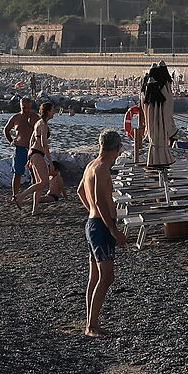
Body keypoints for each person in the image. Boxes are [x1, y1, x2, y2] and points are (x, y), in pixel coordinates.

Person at [77, 129, 129, 336]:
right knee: (106, 277)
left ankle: (91, 322)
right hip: (100, 226)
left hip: (93, 222)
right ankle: (91, 325)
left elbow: (80, 191)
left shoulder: (91, 165)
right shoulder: (102, 168)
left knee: (95, 277)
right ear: (117, 149)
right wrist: (113, 229)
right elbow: (99, 201)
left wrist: (90, 212)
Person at [24, 103, 62, 214]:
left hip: (33, 153)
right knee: (44, 182)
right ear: (48, 111)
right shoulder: (44, 125)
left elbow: (31, 140)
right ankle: (20, 196)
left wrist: (29, 157)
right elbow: (44, 144)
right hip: (37, 153)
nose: (54, 112)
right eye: (53, 110)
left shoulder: (38, 123)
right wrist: (50, 162)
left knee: (38, 183)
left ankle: (35, 210)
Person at [5, 98, 37, 197]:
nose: (26, 110)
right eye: (24, 108)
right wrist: (11, 141)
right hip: (20, 148)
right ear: (20, 106)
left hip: (33, 149)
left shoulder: (35, 117)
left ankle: (35, 194)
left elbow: (45, 131)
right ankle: (15, 195)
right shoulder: (16, 117)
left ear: (31, 106)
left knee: (34, 173)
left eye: (28, 108)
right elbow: (6, 130)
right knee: (17, 173)